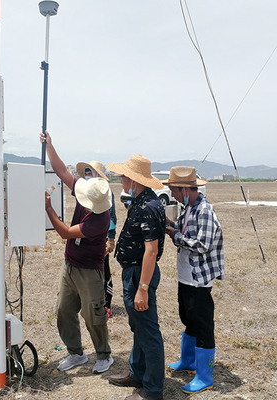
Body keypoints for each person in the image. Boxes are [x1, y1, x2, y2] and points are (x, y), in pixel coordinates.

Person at [40, 131, 114, 374]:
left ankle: (104, 355)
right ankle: (76, 353)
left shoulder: (100, 219)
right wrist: (50, 145)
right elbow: (61, 171)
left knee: (93, 315)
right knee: (63, 310)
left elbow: (64, 232)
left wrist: (49, 209)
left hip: (90, 270)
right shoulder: (87, 192)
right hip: (70, 265)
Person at [106, 154, 166, 400]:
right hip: (133, 273)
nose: (121, 180)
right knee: (139, 327)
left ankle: (152, 390)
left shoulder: (148, 206)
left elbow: (151, 251)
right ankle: (137, 373)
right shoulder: (141, 202)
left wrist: (142, 288)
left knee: (148, 331)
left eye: (123, 176)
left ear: (133, 179)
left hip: (139, 275)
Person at [162, 166, 224, 394]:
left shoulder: (205, 210)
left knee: (203, 325)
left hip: (199, 279)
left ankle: (204, 375)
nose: (173, 195)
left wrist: (176, 236)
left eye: (174, 191)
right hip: (186, 276)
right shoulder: (189, 208)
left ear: (186, 189)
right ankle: (188, 361)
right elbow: (186, 231)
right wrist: (174, 228)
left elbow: (202, 244)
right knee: (187, 318)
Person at [76, 161, 117, 318]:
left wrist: (111, 238)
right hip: (87, 238)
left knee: (103, 271)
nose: (87, 175)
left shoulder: (106, 192)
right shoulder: (85, 191)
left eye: (90, 172)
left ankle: (106, 304)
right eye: (86, 172)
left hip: (102, 238)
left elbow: (112, 216)